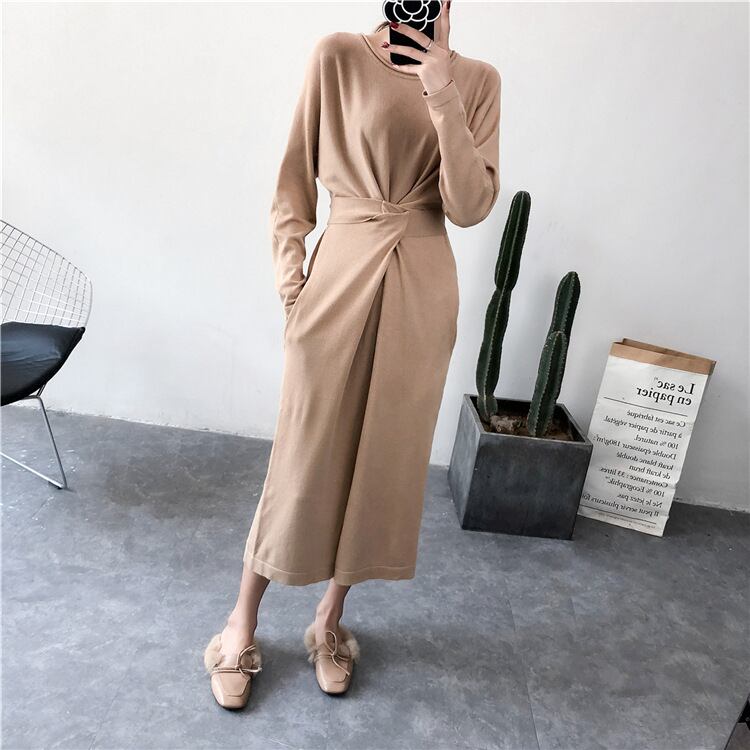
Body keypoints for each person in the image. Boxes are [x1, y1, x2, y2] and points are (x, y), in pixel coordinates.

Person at [204, 0, 501, 709]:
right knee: (301, 455)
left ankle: (329, 619)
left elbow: (469, 207)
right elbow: (292, 184)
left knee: (382, 464)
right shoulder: (336, 56)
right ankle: (241, 620)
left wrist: (441, 91)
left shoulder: (479, 81)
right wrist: (292, 291)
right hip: (338, 277)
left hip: (423, 288)